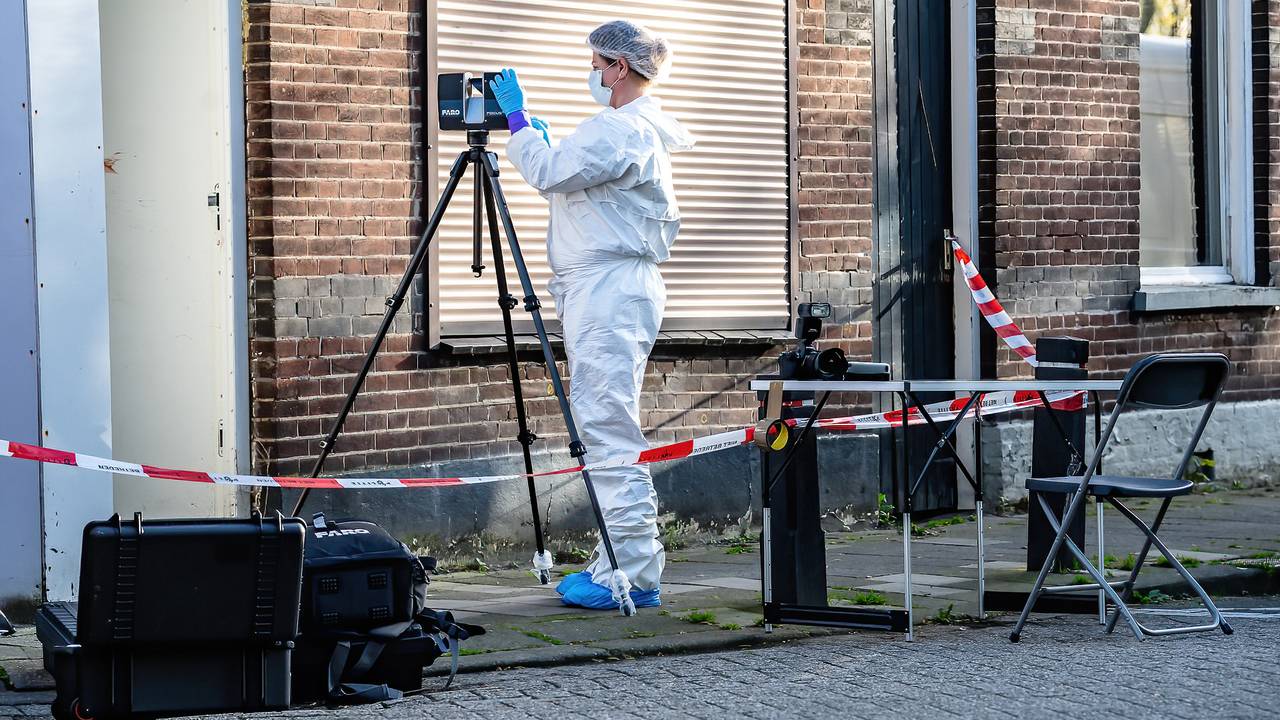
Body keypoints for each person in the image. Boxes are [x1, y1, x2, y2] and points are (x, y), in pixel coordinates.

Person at [489, 21, 694, 612]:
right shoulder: (631, 131)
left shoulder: (617, 128)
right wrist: (545, 141)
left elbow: (549, 172)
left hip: (609, 291)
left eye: (599, 64)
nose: (595, 75)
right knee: (605, 421)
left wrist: (521, 125)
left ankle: (631, 571)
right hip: (609, 288)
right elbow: (575, 184)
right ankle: (622, 557)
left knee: (605, 426)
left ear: (620, 68)